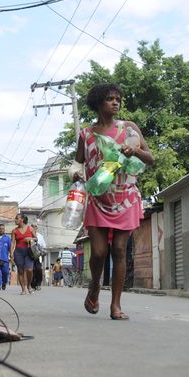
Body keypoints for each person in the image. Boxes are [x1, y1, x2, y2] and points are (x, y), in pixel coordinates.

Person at [73, 82, 153, 320]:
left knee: (119, 250)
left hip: (126, 197)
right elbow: (77, 163)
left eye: (118, 99)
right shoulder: (86, 134)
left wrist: (135, 151)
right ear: (98, 103)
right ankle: (95, 286)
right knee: (98, 252)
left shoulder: (129, 129)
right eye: (110, 99)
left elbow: (150, 158)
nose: (116, 103)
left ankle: (115, 305)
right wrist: (75, 173)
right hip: (98, 199)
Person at [11, 213, 36, 295]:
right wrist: (11, 253)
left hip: (29, 251)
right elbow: (12, 243)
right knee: (21, 271)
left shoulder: (30, 228)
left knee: (29, 269)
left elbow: (36, 239)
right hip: (18, 252)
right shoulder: (14, 231)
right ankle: (23, 289)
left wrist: (31, 238)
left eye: (16, 218)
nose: (15, 220)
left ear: (21, 219)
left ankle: (29, 285)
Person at [30, 226, 46, 291]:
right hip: (30, 255)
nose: (34, 228)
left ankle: (38, 283)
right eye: (32, 227)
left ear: (36, 228)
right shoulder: (28, 235)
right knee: (32, 270)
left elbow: (43, 246)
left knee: (38, 269)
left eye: (35, 227)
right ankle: (32, 285)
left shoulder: (40, 236)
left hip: (38, 255)